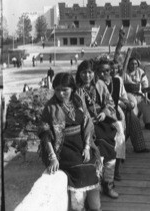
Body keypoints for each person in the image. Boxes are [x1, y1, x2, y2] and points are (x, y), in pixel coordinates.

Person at [38, 72, 102, 210]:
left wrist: (86, 147)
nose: (61, 93)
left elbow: (87, 123)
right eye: (57, 90)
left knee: (91, 166)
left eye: (65, 90)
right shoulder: (50, 107)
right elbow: (45, 134)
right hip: (62, 147)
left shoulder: (78, 101)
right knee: (78, 170)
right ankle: (77, 207)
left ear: (72, 88)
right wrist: (53, 157)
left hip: (81, 143)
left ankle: (95, 207)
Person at [76, 60, 119, 199]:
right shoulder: (77, 89)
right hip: (86, 124)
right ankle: (97, 186)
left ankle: (109, 184)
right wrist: (87, 118)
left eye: (89, 72)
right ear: (79, 74)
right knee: (96, 149)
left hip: (102, 121)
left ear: (93, 73)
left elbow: (110, 102)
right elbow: (76, 110)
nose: (87, 76)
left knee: (109, 150)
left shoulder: (100, 84)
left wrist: (104, 113)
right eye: (84, 72)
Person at [110, 61, 150, 154]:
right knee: (124, 119)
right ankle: (119, 148)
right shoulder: (103, 81)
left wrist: (128, 103)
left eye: (115, 68)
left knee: (134, 119)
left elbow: (123, 95)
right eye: (110, 69)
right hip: (112, 106)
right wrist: (120, 103)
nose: (113, 70)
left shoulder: (119, 79)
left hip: (122, 103)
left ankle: (139, 147)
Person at [123, 57, 150, 130]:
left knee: (147, 104)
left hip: (139, 94)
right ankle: (134, 123)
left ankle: (148, 123)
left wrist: (146, 97)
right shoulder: (124, 72)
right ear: (128, 64)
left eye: (135, 64)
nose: (134, 66)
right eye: (132, 64)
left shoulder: (140, 72)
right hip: (128, 94)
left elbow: (145, 85)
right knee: (133, 104)